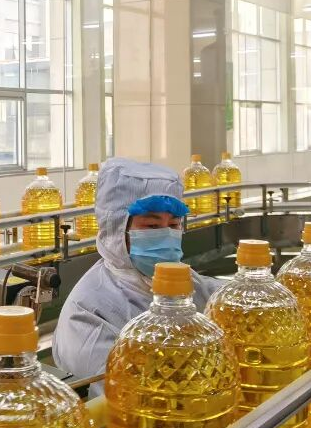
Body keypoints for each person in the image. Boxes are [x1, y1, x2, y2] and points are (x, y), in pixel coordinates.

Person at [53, 157, 223, 387]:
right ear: (116, 228)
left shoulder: (187, 281)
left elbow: (221, 296)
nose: (167, 235)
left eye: (174, 225)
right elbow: (123, 392)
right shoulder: (86, 313)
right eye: (152, 226)